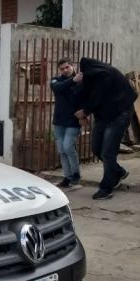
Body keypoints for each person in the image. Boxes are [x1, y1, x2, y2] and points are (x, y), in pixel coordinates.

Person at [75, 57, 137, 200]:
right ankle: (119, 172)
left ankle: (106, 188)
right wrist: (84, 110)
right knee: (97, 149)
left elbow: (97, 96)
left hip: (120, 114)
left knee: (108, 152)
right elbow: (86, 95)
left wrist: (85, 112)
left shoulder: (107, 75)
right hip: (103, 116)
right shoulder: (91, 78)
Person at [50, 58, 83, 188]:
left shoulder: (81, 82)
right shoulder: (56, 80)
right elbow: (57, 88)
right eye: (62, 69)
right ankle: (67, 177)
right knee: (62, 150)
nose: (65, 70)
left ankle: (76, 174)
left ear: (72, 66)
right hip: (59, 121)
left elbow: (85, 98)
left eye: (67, 67)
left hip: (73, 120)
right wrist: (72, 80)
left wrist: (84, 114)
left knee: (68, 146)